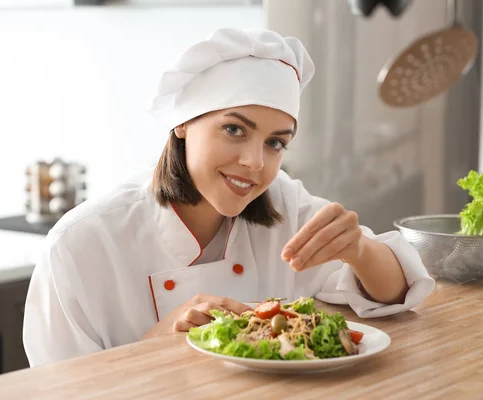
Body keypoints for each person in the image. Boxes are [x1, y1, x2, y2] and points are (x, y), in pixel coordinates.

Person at [22, 28, 435, 367]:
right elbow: (57, 388)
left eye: (275, 143)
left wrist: (359, 249)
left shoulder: (285, 205)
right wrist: (156, 344)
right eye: (234, 129)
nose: (255, 163)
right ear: (183, 123)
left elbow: (395, 293)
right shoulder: (81, 245)